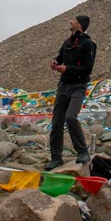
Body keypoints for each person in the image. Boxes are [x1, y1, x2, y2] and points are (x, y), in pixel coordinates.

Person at [45, 14, 97, 170]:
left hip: (78, 86)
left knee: (70, 117)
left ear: (80, 24)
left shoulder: (88, 44)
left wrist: (68, 69)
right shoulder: (68, 42)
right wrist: (55, 62)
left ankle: (82, 151)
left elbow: (87, 68)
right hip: (64, 85)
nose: (70, 21)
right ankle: (56, 158)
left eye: (73, 20)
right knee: (57, 122)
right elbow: (60, 57)